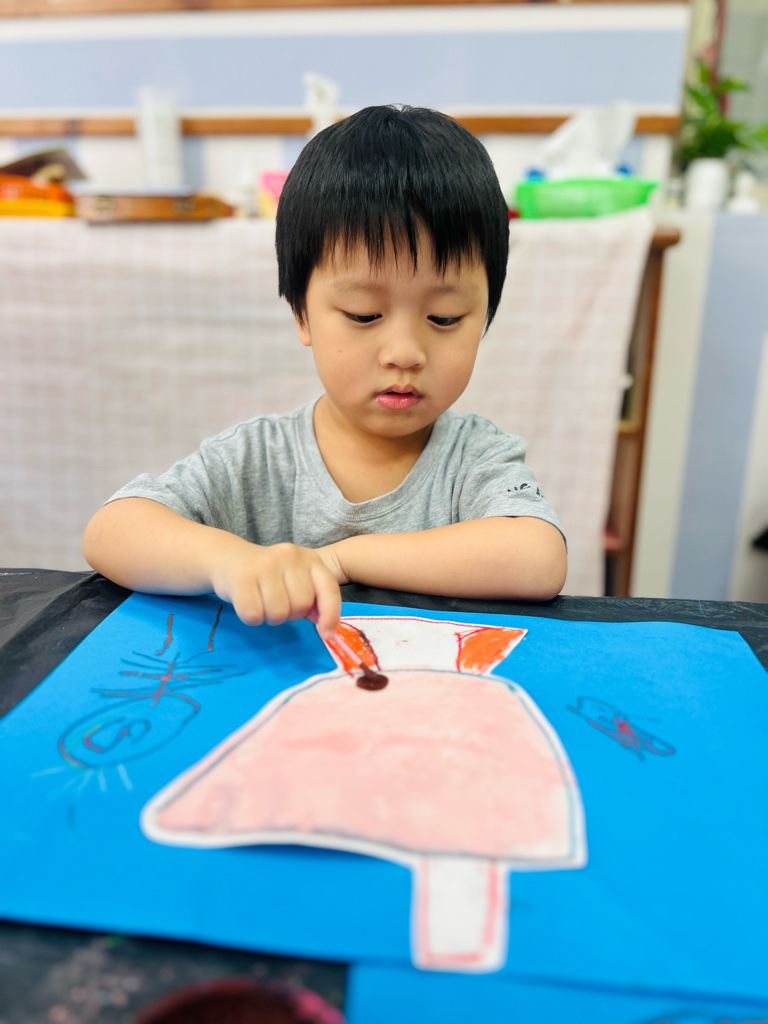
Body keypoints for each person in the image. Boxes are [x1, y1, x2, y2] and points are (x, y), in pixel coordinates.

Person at [83, 105, 566, 641]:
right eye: (363, 314)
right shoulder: (259, 458)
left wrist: (338, 559)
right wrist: (230, 562)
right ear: (302, 314)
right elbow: (112, 530)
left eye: (445, 317)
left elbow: (537, 558)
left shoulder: (475, 458)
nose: (404, 353)